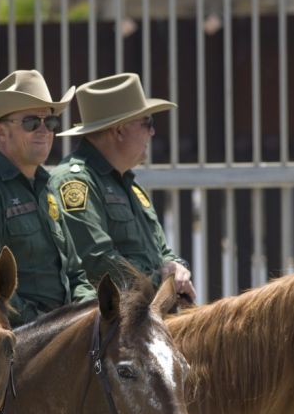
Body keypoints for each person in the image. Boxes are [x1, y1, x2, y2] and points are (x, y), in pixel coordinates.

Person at [0, 70, 95, 326]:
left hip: (65, 330)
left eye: (50, 122)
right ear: (1, 132)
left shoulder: (46, 188)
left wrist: (88, 309)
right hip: (20, 337)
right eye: (31, 122)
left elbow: (74, 271)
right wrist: (48, 325)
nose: (44, 131)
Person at [50, 73, 196, 301]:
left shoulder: (127, 183)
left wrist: (176, 267)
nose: (152, 132)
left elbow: (160, 251)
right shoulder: (74, 181)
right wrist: (161, 282)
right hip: (110, 315)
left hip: (144, 308)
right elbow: (97, 260)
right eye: (147, 123)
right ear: (118, 130)